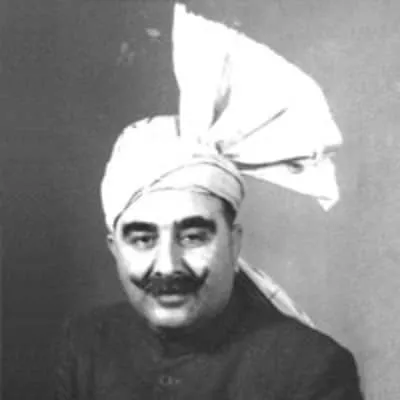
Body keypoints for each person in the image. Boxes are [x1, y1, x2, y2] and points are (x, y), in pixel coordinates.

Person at [55, 4, 364, 399]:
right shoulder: (88, 344)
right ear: (114, 249)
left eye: (193, 236)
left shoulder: (312, 368)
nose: (168, 265)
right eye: (143, 239)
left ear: (234, 243)